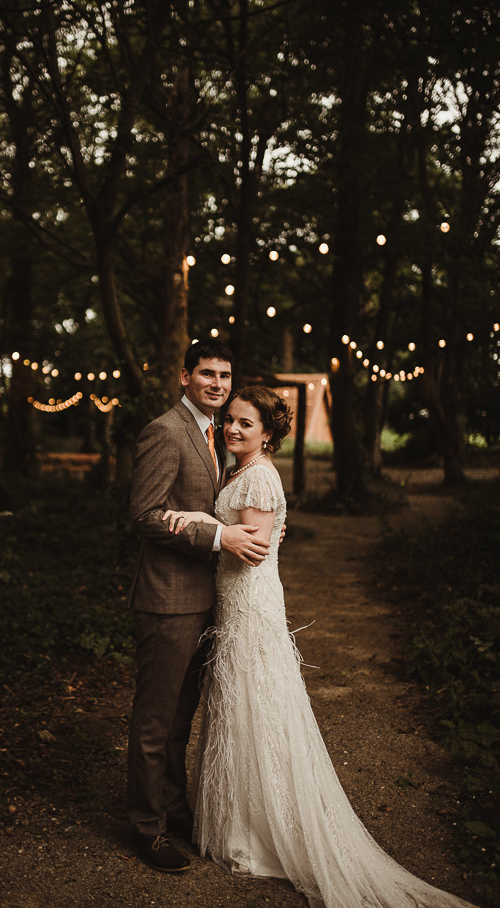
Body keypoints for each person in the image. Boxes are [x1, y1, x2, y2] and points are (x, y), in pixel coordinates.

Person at [162, 385, 478, 908]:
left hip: (250, 612)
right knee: (237, 713)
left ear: (268, 433)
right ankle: (236, 819)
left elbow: (253, 552)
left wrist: (203, 522)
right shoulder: (237, 469)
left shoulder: (259, 476)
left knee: (257, 711)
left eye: (246, 423)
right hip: (234, 607)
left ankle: (262, 832)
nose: (234, 429)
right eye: (231, 421)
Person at [127, 340, 272, 874]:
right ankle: (146, 828)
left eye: (225, 375)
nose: (217, 383)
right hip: (166, 600)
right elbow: (145, 514)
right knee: (154, 722)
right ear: (184, 375)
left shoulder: (216, 436)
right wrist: (218, 539)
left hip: (205, 600)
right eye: (206, 373)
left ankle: (174, 808)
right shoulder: (165, 431)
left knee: (179, 722)